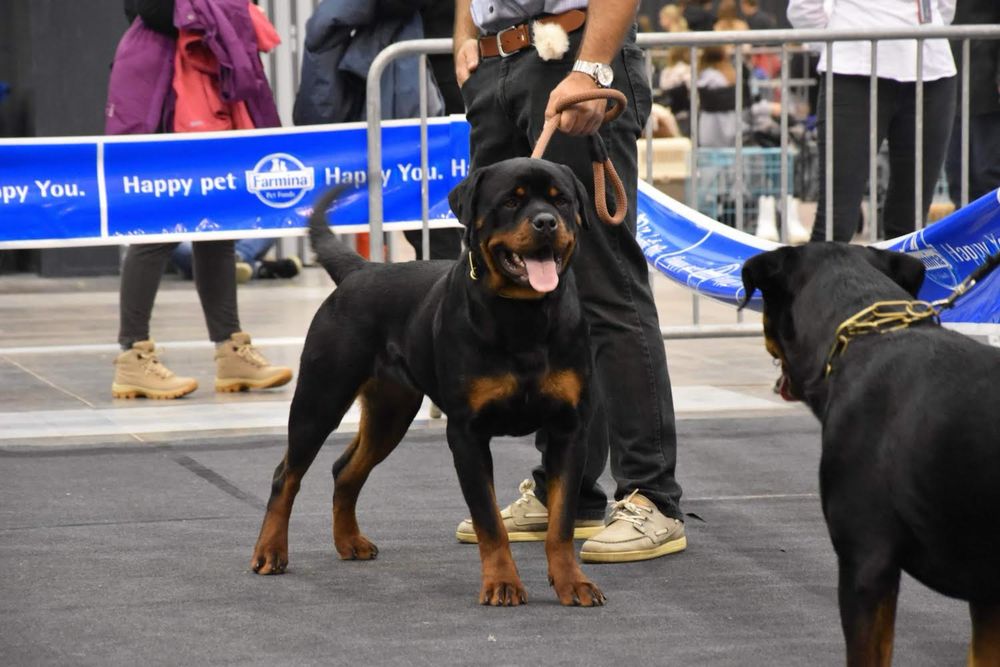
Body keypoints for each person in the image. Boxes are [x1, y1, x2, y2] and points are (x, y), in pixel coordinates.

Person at [453, 0, 686, 563]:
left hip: (573, 54)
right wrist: (465, 36)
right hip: (495, 64)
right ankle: (569, 489)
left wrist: (594, 66)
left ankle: (650, 495)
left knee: (605, 288)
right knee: (533, 289)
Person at [108, 0, 292, 399]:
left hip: (209, 83)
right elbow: (149, 8)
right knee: (158, 225)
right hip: (163, 87)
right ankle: (131, 356)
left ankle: (231, 351)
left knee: (219, 222)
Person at [788, 0, 957, 242]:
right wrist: (840, 42)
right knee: (836, 223)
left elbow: (945, 7)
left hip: (928, 68)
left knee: (910, 222)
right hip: (857, 68)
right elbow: (804, 8)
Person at [944, 0, 1000, 204]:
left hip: (987, 87)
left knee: (988, 173)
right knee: (958, 173)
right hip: (952, 82)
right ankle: (967, 235)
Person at [170, 238, 302, 283]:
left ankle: (240, 260)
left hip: (235, 233)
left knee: (272, 220)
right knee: (172, 242)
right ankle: (254, 266)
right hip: (194, 238)